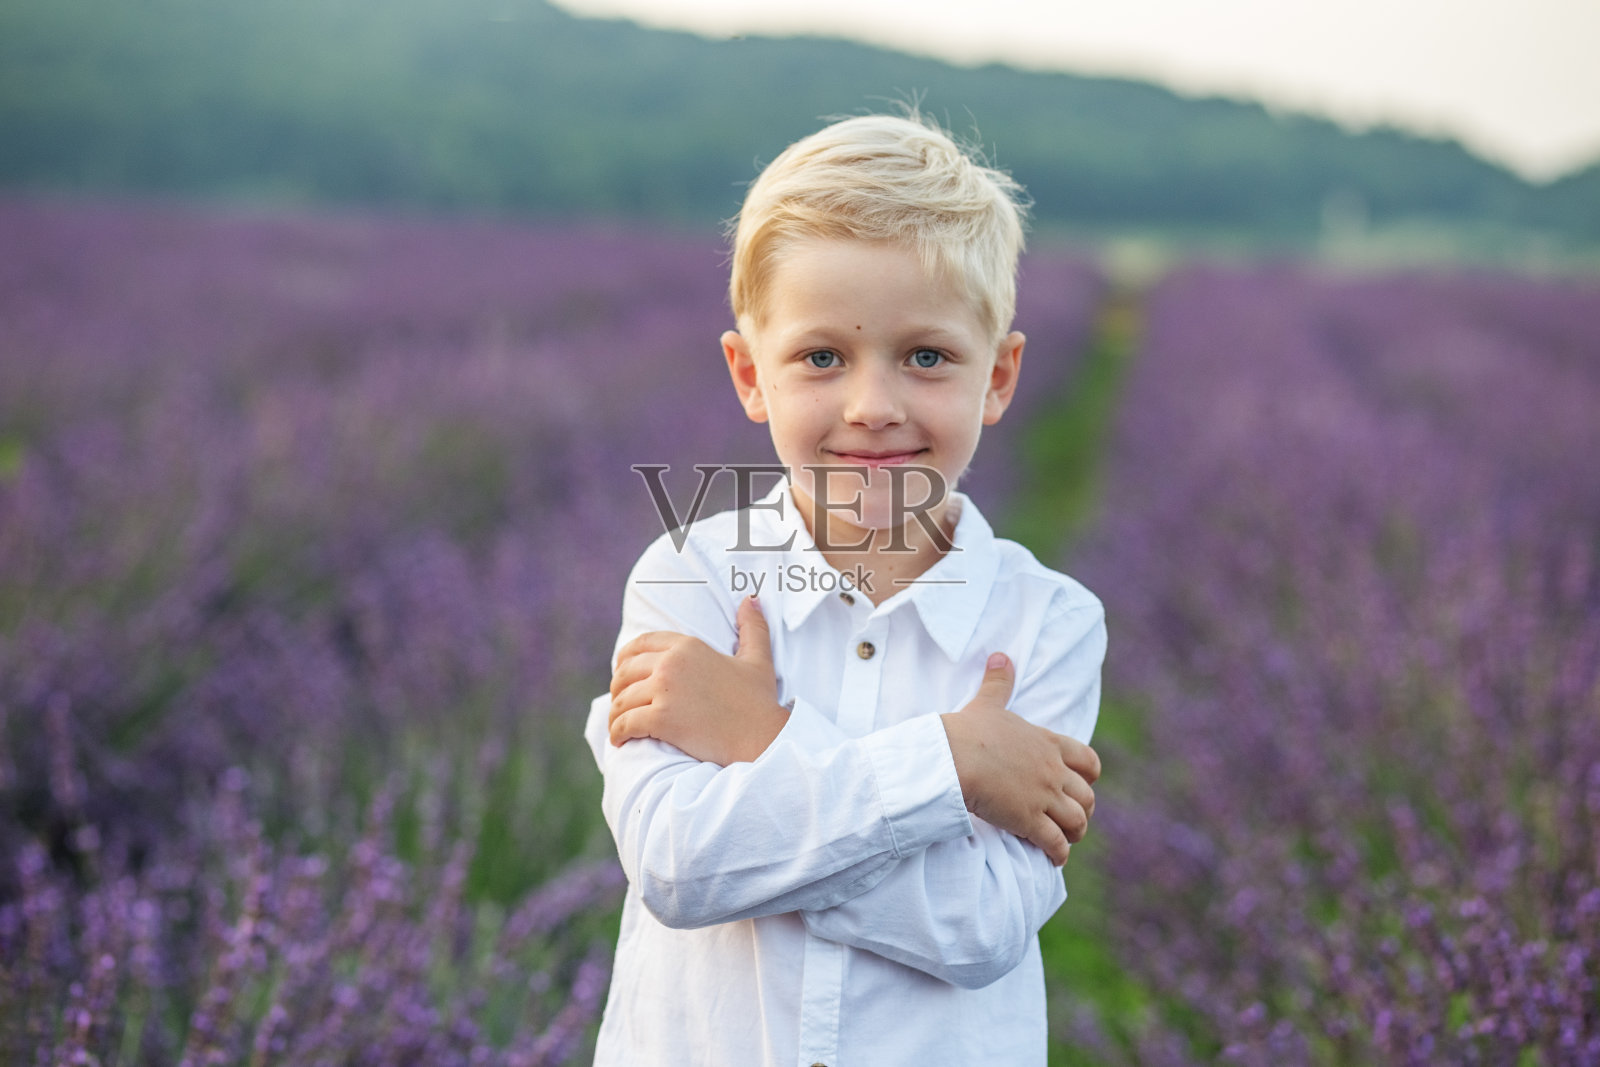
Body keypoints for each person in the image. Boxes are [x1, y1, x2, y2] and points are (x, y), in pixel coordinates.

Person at [582, 109, 1106, 1066]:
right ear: (751, 374)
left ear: (999, 376)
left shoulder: (1050, 622)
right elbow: (677, 864)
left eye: (927, 356)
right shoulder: (689, 579)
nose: (872, 406)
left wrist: (759, 740)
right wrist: (948, 763)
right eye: (822, 357)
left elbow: (982, 926)